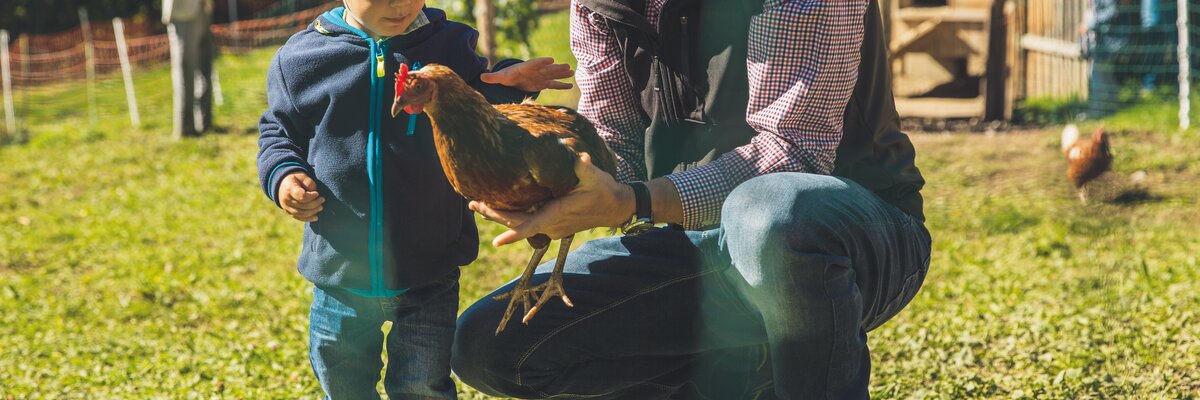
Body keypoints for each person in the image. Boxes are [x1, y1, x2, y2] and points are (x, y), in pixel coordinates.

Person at [452, 0, 930, 399]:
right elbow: (614, 147)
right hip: (689, 243)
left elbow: (794, 152)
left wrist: (632, 201)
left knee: (768, 215)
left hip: (843, 238)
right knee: (488, 347)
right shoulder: (600, 3)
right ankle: (735, 373)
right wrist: (534, 180)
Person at [255, 0, 573, 398]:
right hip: (340, 271)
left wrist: (509, 79)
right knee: (341, 380)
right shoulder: (302, 58)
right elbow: (278, 132)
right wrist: (283, 175)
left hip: (429, 269)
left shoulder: (450, 46)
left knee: (422, 385)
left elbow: (479, 100)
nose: (400, 3)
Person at [163, 0, 215, 138]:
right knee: (185, 72)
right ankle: (185, 128)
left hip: (203, 9)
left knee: (206, 70)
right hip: (182, 13)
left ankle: (205, 122)